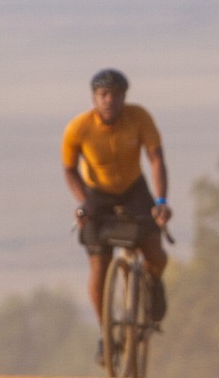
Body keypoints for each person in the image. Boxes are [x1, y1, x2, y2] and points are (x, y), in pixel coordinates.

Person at [62, 69, 171, 358]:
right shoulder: (79, 127)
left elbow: (155, 159)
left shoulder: (139, 118)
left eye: (116, 95)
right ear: (94, 97)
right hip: (96, 195)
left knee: (156, 253)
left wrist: (160, 200)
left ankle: (153, 283)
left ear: (125, 97)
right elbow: (70, 169)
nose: (110, 100)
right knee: (98, 264)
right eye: (103, 95)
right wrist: (82, 202)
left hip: (135, 190)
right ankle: (105, 332)